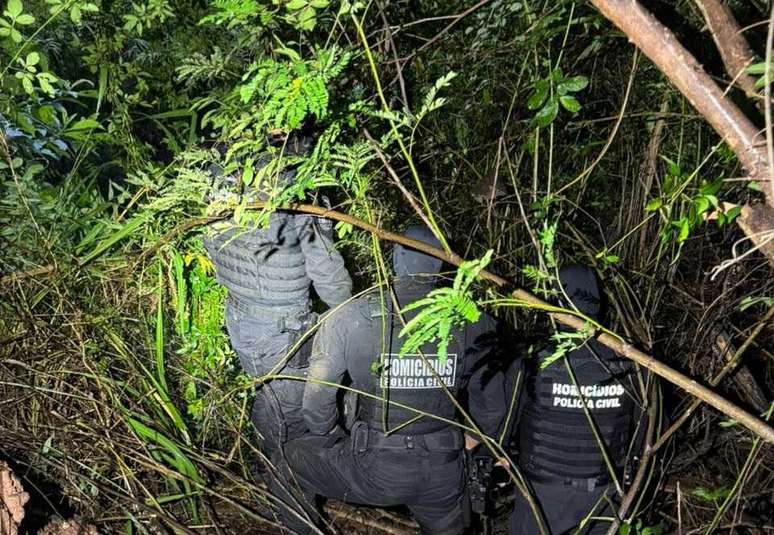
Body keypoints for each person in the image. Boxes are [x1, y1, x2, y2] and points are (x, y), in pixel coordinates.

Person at [271, 225, 504, 535]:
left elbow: (317, 404)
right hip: (444, 469)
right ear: (440, 263)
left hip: (374, 469)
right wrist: (473, 441)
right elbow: (494, 404)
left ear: (395, 259)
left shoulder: (351, 316)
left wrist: (332, 437)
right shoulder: (476, 322)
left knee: (284, 460)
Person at [203, 133, 352, 462]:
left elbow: (210, 241)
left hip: (240, 317)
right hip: (280, 329)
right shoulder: (298, 182)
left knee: (269, 395)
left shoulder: (224, 168)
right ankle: (286, 498)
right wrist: (351, 314)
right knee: (287, 418)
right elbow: (327, 272)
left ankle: (271, 475)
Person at [509, 265, 647, 535]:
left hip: (542, 494)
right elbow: (646, 429)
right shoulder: (631, 359)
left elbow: (509, 418)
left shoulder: (534, 357)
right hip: (604, 494)